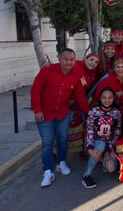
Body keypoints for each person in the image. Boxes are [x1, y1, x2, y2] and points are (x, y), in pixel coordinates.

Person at [31, 48, 90, 187]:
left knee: (63, 138)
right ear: (59, 59)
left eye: (72, 60)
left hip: (62, 113)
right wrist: (37, 110)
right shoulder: (47, 71)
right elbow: (35, 90)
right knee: (48, 142)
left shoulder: (77, 73)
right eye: (66, 59)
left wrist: (89, 113)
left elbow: (80, 95)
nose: (69, 62)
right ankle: (47, 171)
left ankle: (61, 162)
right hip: (45, 113)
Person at [82, 87, 122, 188]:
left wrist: (109, 150)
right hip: (95, 144)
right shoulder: (93, 112)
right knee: (100, 144)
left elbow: (117, 133)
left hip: (109, 145)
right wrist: (90, 148)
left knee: (111, 168)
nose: (107, 100)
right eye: (104, 98)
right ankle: (86, 175)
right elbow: (90, 131)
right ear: (100, 98)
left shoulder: (117, 113)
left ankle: (102, 161)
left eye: (109, 98)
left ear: (113, 98)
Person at [68, 53, 100, 156]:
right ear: (85, 59)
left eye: (96, 62)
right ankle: (57, 155)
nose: (93, 63)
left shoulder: (93, 72)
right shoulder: (76, 68)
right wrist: (88, 112)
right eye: (91, 60)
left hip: (78, 104)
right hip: (67, 103)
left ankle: (79, 151)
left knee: (79, 128)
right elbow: (79, 93)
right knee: (63, 129)